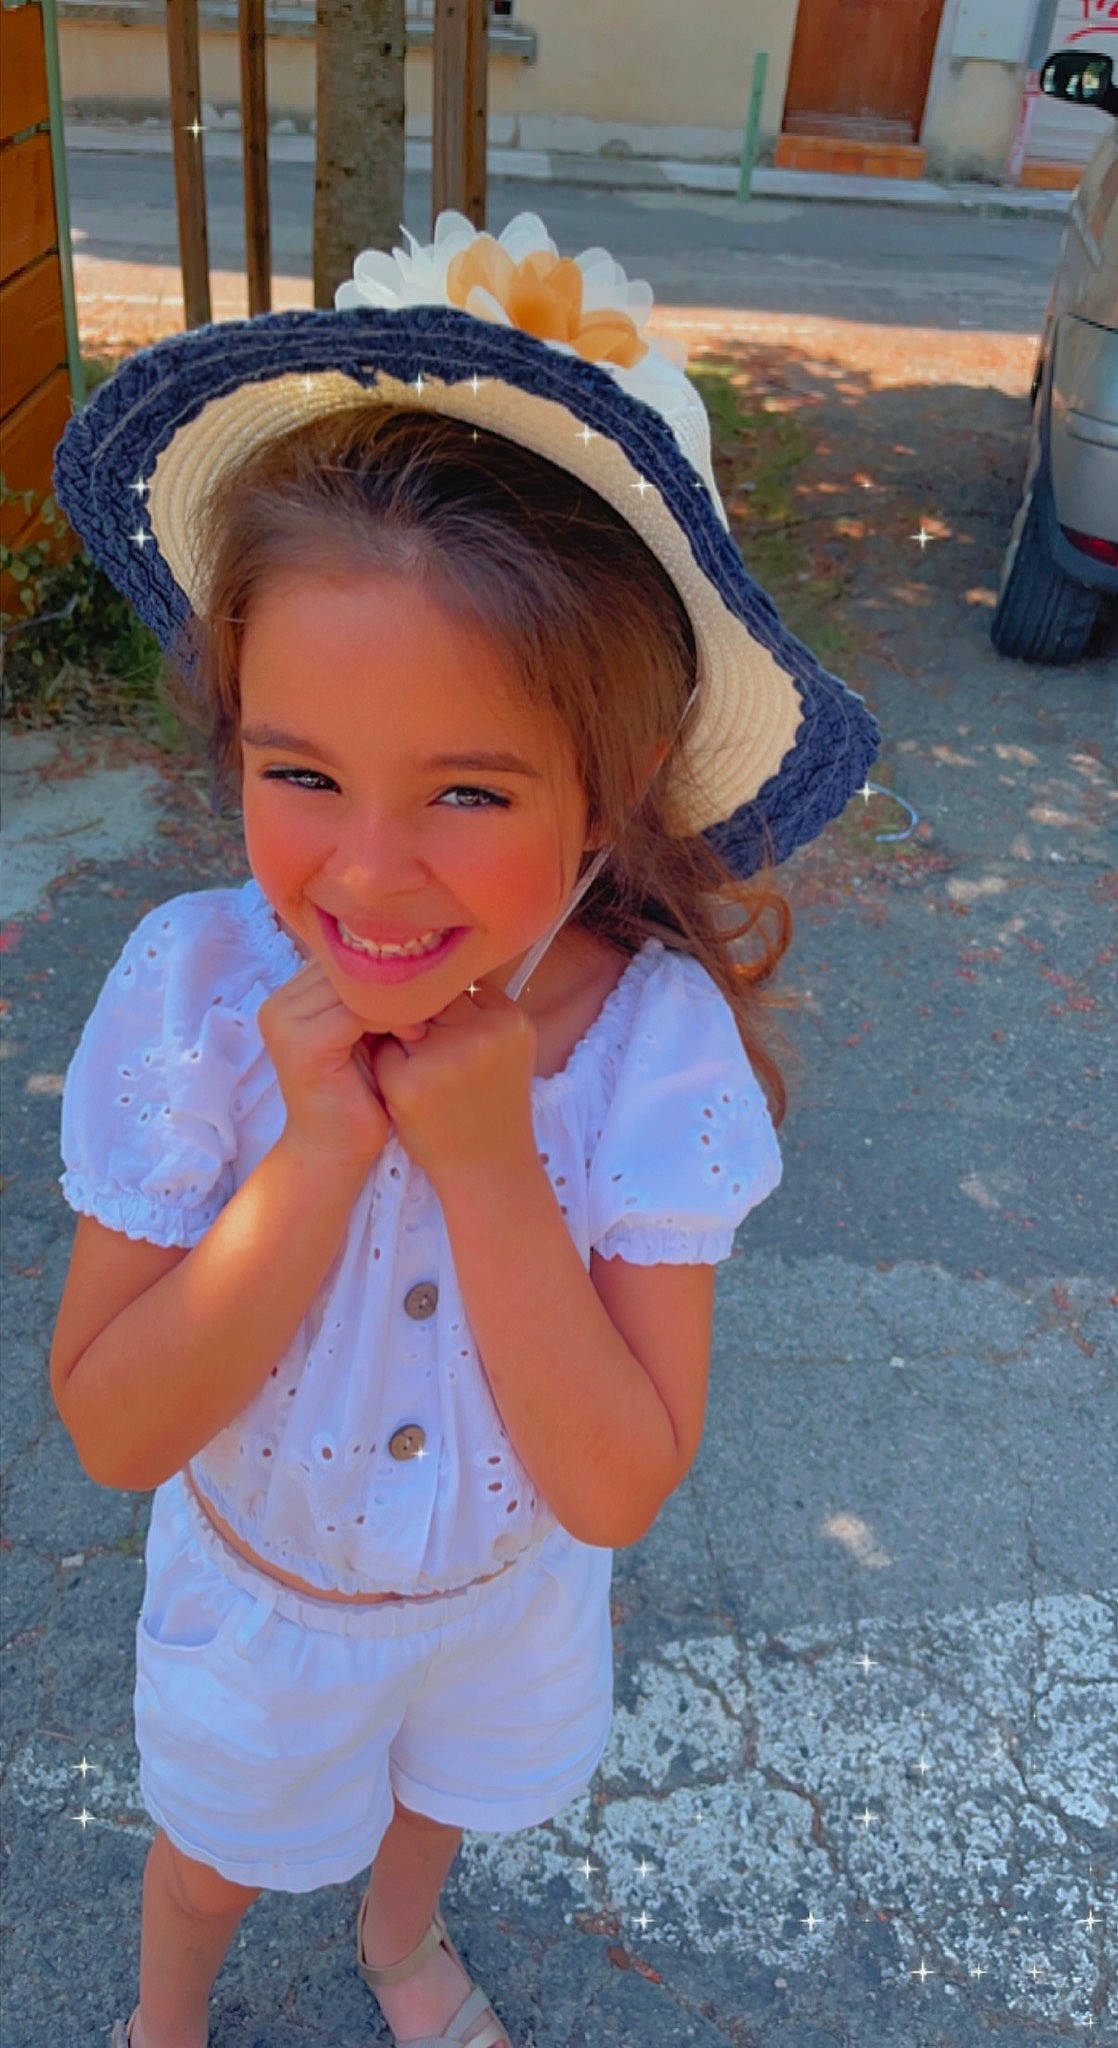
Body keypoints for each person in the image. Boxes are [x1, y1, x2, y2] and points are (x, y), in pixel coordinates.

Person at [49, 211, 879, 2048]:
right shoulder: (194, 1003)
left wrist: (493, 1162)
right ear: (233, 735)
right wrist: (323, 1150)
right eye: (298, 772)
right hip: (262, 1599)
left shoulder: (652, 1051)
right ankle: (161, 2018)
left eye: (471, 790)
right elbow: (114, 1431)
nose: (363, 866)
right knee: (214, 1851)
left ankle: (398, 1947)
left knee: (439, 1802)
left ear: (615, 784)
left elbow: (611, 1485)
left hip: (506, 1595)